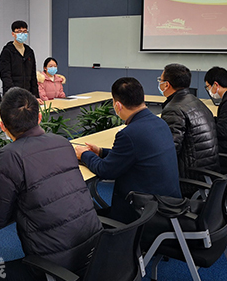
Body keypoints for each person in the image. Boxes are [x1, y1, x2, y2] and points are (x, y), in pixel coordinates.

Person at [0, 87, 102, 281]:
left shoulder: (10, 156)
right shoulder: (63, 143)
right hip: (96, 259)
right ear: (40, 117)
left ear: (2, 126)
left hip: (58, 273)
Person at [75, 77, 181, 221]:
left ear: (118, 105)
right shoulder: (160, 123)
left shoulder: (129, 134)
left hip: (143, 212)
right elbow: (136, 154)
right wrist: (101, 152)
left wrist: (84, 155)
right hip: (168, 205)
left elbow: (106, 170)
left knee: (84, 216)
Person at [159, 63, 219, 197]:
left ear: (167, 85)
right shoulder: (195, 101)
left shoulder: (173, 108)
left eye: (160, 80)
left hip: (190, 176)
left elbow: (170, 150)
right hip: (208, 170)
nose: (160, 84)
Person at [0, 20, 43, 103]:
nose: (22, 34)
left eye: (24, 31)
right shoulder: (7, 51)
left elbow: (33, 76)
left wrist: (35, 96)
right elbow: (5, 75)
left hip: (28, 93)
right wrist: (13, 94)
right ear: (13, 34)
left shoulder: (29, 51)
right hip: (12, 95)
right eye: (19, 31)